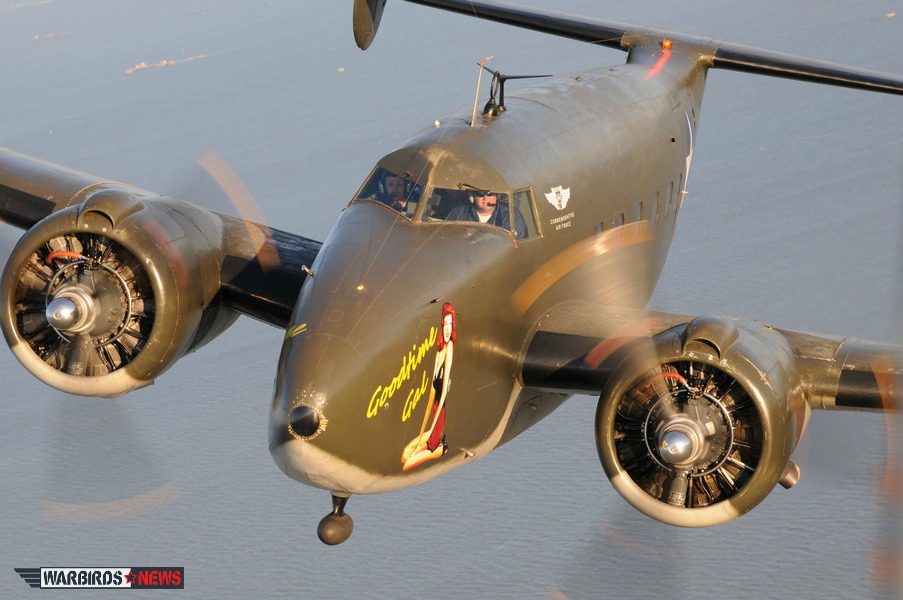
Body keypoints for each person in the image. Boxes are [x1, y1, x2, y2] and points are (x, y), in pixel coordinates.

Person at [401, 302, 455, 471]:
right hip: (434, 414)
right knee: (405, 454)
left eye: (449, 325)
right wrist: (423, 429)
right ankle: (433, 447)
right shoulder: (439, 353)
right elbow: (432, 393)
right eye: (444, 324)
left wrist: (432, 430)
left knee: (407, 463)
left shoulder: (449, 349)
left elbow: (443, 393)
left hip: (439, 417)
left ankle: (435, 452)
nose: (447, 329)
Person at [445, 191, 527, 238]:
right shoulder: (460, 211)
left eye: (489, 193)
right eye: (480, 194)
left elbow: (518, 246)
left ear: (497, 196)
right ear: (472, 197)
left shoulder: (511, 216)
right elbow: (444, 236)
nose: (485, 198)